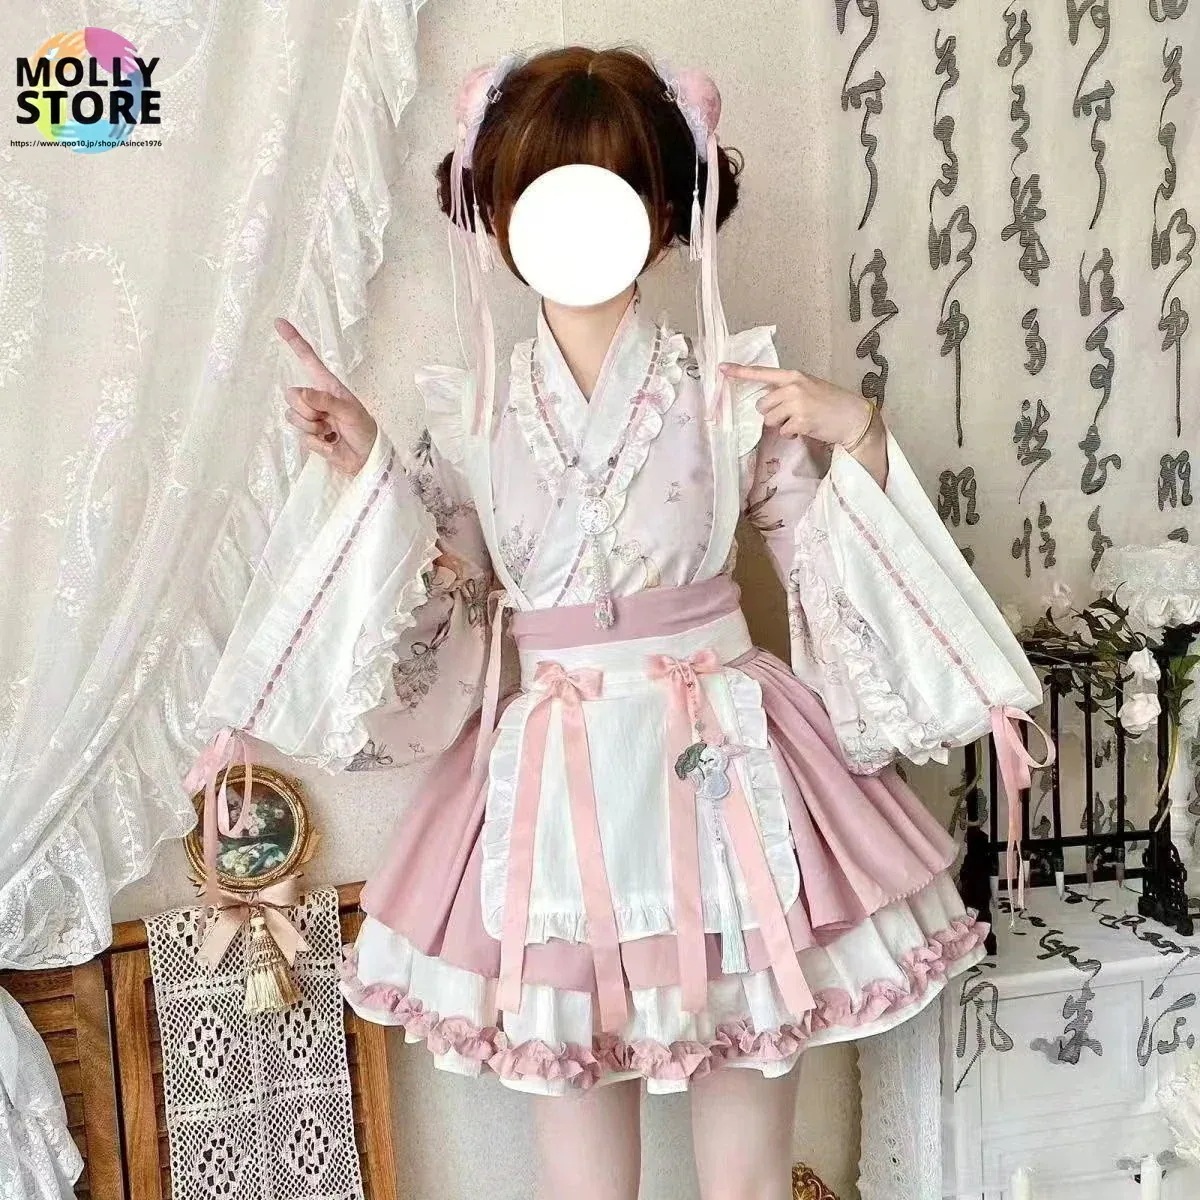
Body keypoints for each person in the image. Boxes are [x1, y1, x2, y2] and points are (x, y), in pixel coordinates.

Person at [194, 46, 1046, 1200]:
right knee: (584, 1174)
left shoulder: (734, 394)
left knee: (747, 1170)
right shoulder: (473, 414)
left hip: (729, 775)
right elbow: (449, 589)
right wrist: (369, 472)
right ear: (496, 213)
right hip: (555, 786)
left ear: (667, 212)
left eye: (614, 192)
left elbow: (827, 577)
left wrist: (859, 435)